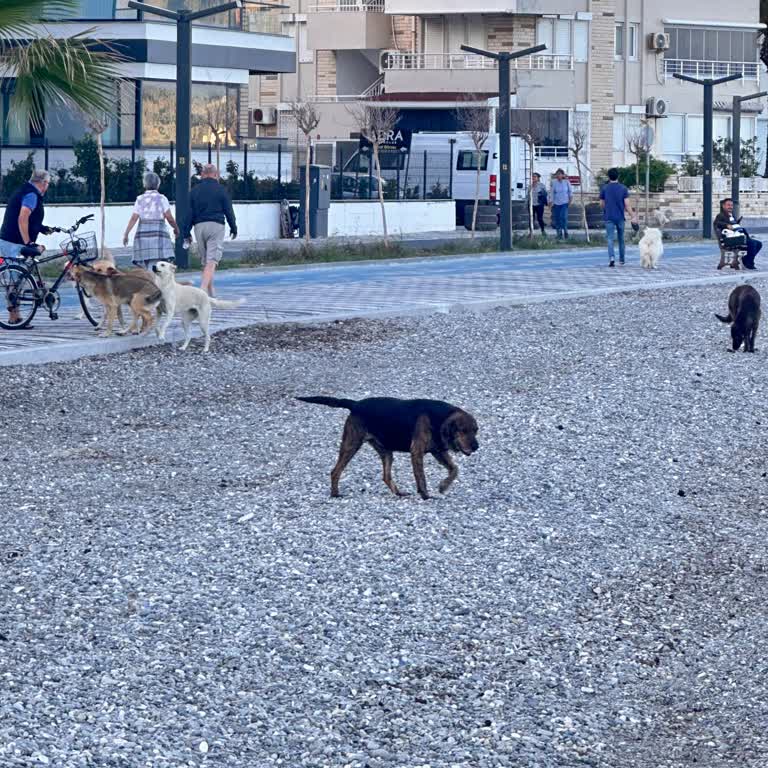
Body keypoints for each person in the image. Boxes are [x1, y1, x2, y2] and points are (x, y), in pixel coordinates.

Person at [0, 169, 53, 325]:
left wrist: (42, 228)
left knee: (16, 279)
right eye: (48, 184)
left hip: (9, 240)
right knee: (14, 279)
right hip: (13, 242)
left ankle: (15, 317)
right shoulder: (31, 194)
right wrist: (29, 243)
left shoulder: (25, 190)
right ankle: (13, 318)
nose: (47, 187)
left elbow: (29, 218)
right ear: (43, 183)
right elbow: (22, 218)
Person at [182, 164, 237, 297]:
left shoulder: (194, 191)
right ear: (215, 174)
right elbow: (228, 210)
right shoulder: (221, 190)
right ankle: (202, 291)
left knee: (206, 261)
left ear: (202, 174)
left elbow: (189, 213)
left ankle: (212, 293)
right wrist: (233, 227)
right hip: (216, 226)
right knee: (211, 261)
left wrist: (186, 232)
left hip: (199, 227)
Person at [123, 171, 180, 271]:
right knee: (158, 263)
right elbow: (169, 217)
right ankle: (156, 283)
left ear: (144, 184)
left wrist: (126, 234)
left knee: (148, 263)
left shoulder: (140, 199)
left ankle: (151, 280)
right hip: (159, 233)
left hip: (143, 234)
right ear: (158, 184)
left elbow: (134, 218)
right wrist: (176, 228)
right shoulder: (162, 198)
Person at [600, 167, 634, 267]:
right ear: (618, 176)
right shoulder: (623, 188)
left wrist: (606, 209)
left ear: (609, 176)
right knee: (621, 239)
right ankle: (622, 259)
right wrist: (633, 216)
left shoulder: (605, 188)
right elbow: (627, 205)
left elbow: (601, 203)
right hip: (620, 217)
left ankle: (611, 258)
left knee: (610, 239)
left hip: (609, 216)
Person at [714, 197, 761, 270]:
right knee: (752, 244)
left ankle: (746, 260)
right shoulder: (721, 215)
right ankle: (748, 263)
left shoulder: (732, 215)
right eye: (728, 205)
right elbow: (717, 223)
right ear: (723, 206)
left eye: (731, 205)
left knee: (758, 244)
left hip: (738, 236)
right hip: (731, 240)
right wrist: (726, 225)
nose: (730, 207)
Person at [549, 168, 572, 239]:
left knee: (563, 217)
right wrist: (550, 202)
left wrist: (570, 200)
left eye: (560, 174)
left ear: (563, 175)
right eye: (557, 174)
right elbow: (552, 193)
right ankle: (559, 233)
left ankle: (565, 231)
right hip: (556, 203)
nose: (559, 176)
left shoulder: (566, 182)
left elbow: (570, 192)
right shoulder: (554, 182)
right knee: (557, 218)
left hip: (565, 202)